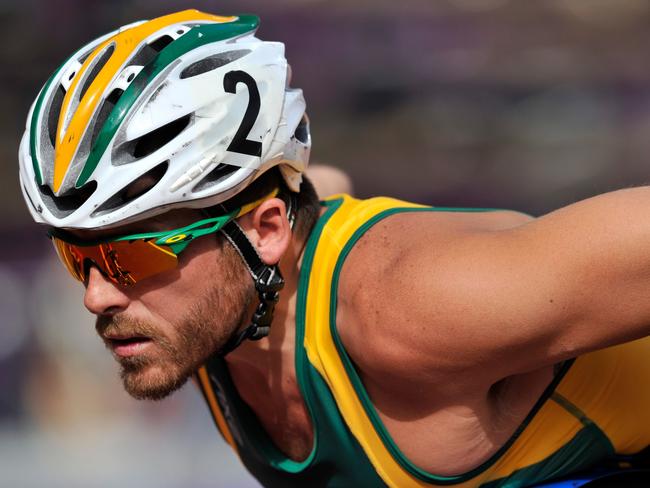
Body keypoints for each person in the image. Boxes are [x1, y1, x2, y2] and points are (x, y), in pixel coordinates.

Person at [17, 9, 650, 488]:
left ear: (266, 230)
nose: (96, 295)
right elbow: (321, 189)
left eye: (132, 258)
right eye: (79, 259)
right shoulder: (226, 303)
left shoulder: (423, 304)